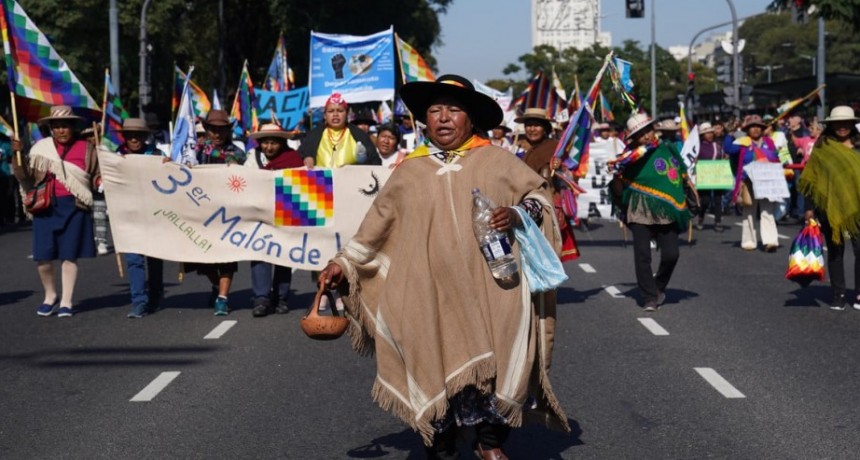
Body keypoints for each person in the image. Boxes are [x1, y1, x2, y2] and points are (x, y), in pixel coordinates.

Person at [318, 74, 568, 459]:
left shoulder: (497, 160)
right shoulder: (410, 171)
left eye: (454, 110)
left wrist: (517, 213)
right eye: (435, 110)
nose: (444, 118)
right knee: (432, 357)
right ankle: (442, 444)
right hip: (428, 293)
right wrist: (343, 263)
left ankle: (489, 442)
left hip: (494, 289)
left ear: (471, 119)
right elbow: (375, 227)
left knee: (502, 360)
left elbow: (540, 197)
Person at [12, 105, 100, 317]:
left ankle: (66, 302)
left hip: (75, 205)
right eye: (57, 126)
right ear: (51, 129)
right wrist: (18, 154)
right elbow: (25, 176)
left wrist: (100, 181)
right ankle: (50, 295)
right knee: (43, 257)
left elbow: (96, 173)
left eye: (65, 126)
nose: (61, 130)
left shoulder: (87, 148)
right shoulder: (40, 149)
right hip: (46, 206)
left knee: (69, 255)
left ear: (72, 127)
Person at [608, 113, 695, 312]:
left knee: (672, 254)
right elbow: (619, 187)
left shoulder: (668, 149)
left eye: (648, 131)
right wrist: (616, 175)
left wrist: (688, 189)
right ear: (633, 138)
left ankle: (658, 286)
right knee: (642, 255)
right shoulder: (628, 157)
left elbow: (679, 173)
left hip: (666, 209)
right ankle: (649, 297)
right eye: (640, 134)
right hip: (639, 208)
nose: (646, 136)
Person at [799, 106, 860, 310]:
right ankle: (839, 293)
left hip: (858, 208)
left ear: (852, 124)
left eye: (846, 123)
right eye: (838, 123)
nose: (842, 126)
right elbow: (812, 179)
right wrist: (809, 209)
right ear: (831, 125)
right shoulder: (822, 147)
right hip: (829, 206)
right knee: (835, 251)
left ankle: (859, 293)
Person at [187, 109, 246, 315]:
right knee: (203, 258)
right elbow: (182, 167)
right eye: (213, 130)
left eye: (222, 130)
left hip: (228, 213)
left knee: (227, 257)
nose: (217, 134)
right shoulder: (196, 150)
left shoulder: (237, 152)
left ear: (228, 131)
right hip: (203, 212)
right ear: (207, 130)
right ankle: (215, 285)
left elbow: (245, 174)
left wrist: (237, 167)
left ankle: (222, 298)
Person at [243, 123, 303, 317]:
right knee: (260, 253)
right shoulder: (253, 158)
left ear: (282, 143)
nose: (269, 147)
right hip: (259, 213)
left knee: (283, 255)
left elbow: (301, 185)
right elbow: (244, 180)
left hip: (286, 213)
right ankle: (261, 298)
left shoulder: (294, 159)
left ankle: (281, 297)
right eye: (265, 143)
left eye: (273, 143)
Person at [116, 118, 167, 318]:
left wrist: (169, 166)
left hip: (153, 214)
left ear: (145, 137)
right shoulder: (116, 157)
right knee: (134, 259)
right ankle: (138, 301)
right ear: (125, 137)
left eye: (138, 135)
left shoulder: (156, 155)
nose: (134, 139)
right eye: (130, 135)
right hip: (129, 215)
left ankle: (155, 294)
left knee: (154, 258)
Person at [516, 107, 579, 261]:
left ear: (545, 128)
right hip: (524, 205)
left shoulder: (555, 148)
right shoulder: (520, 148)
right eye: (528, 125)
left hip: (547, 206)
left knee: (546, 254)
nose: (532, 129)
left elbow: (570, 173)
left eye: (536, 125)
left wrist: (560, 166)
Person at [723, 114, 781, 252]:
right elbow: (728, 149)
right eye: (752, 127)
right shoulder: (743, 142)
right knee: (749, 210)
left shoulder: (769, 142)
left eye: (758, 127)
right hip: (747, 181)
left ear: (762, 129)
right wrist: (730, 134)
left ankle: (770, 241)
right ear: (747, 129)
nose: (755, 129)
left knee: (767, 210)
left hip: (766, 180)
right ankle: (749, 241)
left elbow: (775, 157)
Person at [299, 93, 380, 169]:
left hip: (351, 178)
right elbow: (299, 156)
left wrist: (354, 168)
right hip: (321, 178)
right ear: (325, 115)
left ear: (347, 114)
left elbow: (376, 162)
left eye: (340, 111)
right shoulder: (314, 134)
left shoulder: (360, 135)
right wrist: (307, 157)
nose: (335, 114)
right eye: (331, 111)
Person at [695, 122, 726, 231]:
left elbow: (723, 157)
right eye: (707, 133)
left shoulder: (718, 145)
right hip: (704, 174)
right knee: (705, 200)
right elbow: (693, 160)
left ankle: (718, 221)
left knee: (718, 199)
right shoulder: (698, 147)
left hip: (717, 173)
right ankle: (701, 217)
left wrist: (725, 158)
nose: (709, 135)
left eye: (711, 132)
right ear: (702, 135)